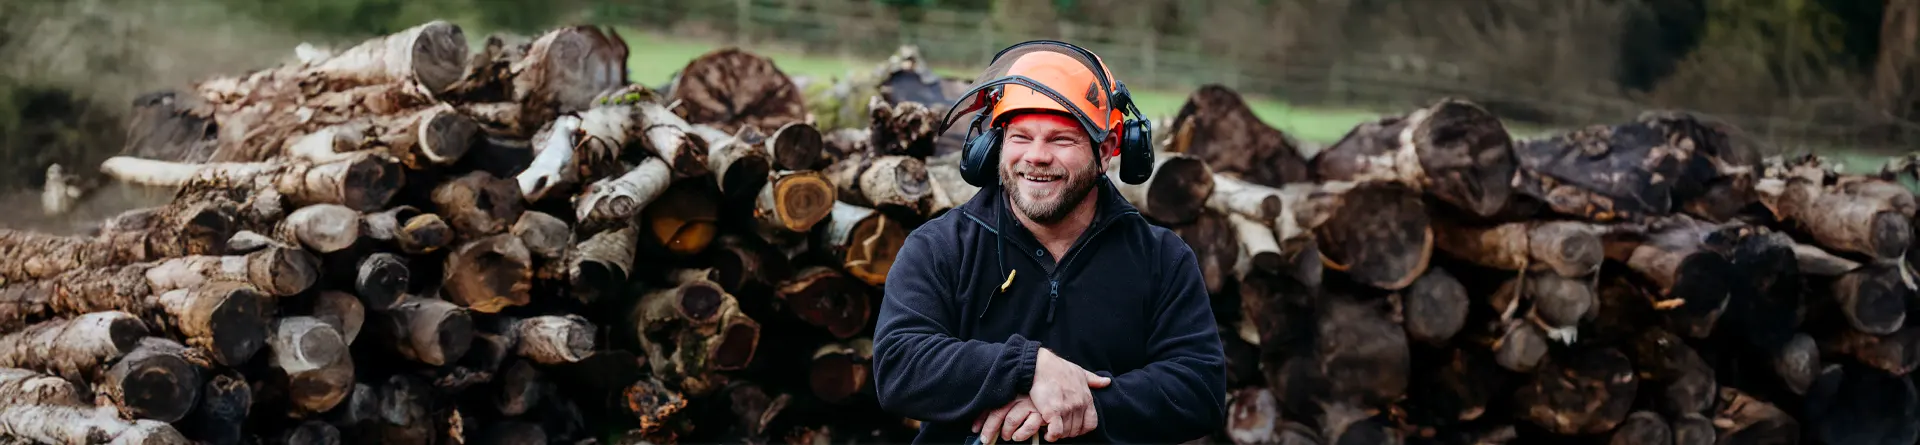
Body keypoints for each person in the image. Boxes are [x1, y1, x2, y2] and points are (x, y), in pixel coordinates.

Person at [871, 40, 1228, 444]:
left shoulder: (1162, 258)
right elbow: (899, 367)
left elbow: (1200, 388)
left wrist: (1082, 404)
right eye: (1021, 137)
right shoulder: (939, 247)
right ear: (995, 144)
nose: (1036, 156)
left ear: (1107, 149)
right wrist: (1029, 367)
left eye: (1061, 140)